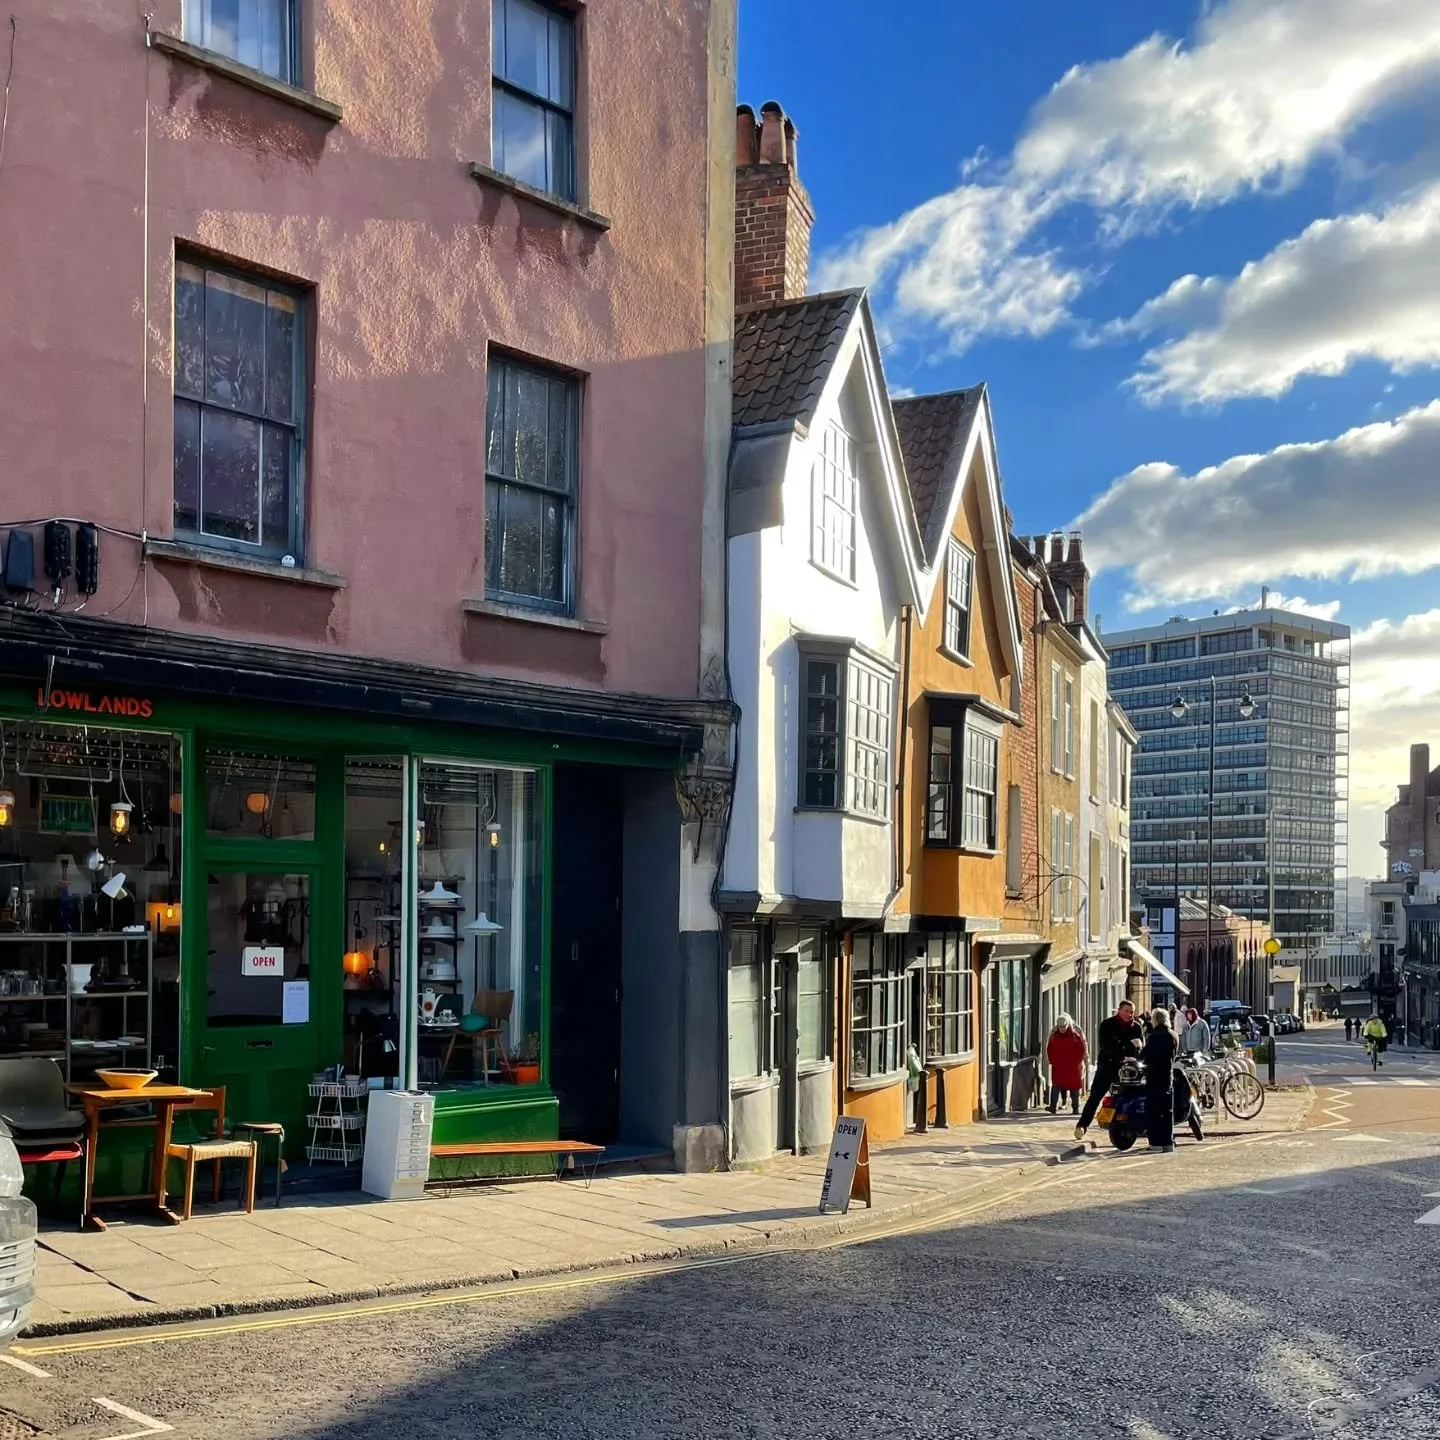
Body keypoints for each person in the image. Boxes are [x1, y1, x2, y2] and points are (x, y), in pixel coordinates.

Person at [1075, 998, 1144, 1141]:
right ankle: (1082, 1126)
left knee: (1128, 1099)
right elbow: (1107, 1046)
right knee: (1095, 1097)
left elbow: (1140, 1048)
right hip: (1107, 1068)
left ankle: (1129, 1129)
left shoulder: (1137, 1027)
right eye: (1126, 1011)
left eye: (1132, 1012)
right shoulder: (1107, 1025)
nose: (1129, 1015)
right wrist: (1126, 1047)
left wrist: (1135, 1054)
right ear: (1119, 1010)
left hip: (1128, 1071)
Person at [1141, 1007, 1178, 1152]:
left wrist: (1139, 1049)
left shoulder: (1154, 1036)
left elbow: (1145, 1055)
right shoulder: (1173, 1035)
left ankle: (1155, 1143)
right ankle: (1168, 1143)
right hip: (1168, 1076)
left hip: (1154, 1077)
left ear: (1155, 1020)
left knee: (1154, 1111)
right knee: (1167, 1111)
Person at [1046, 1014, 1087, 1116]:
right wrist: (1052, 1061)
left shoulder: (1075, 1036)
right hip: (1059, 1065)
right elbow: (1049, 1049)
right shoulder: (1054, 1036)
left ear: (1068, 1025)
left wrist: (1078, 1061)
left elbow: (1082, 1049)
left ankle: (1075, 1107)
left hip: (1072, 1066)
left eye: (1064, 1026)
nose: (1062, 1029)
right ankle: (1053, 1106)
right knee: (1056, 1085)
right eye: (1060, 1027)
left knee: (1074, 1087)